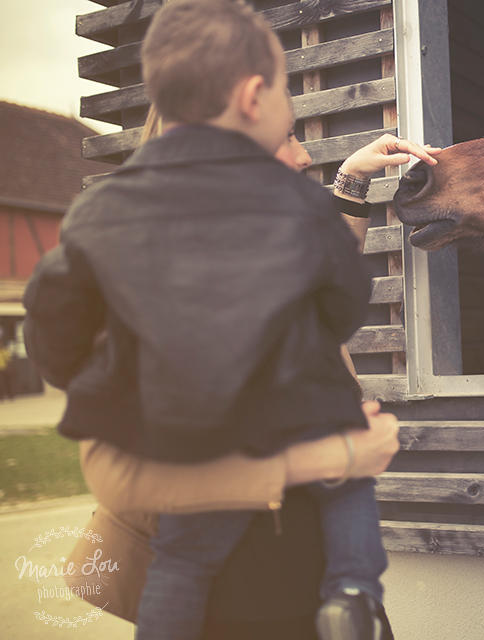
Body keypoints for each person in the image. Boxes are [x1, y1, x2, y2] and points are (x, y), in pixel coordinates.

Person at [23, 1, 438, 639]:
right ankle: (353, 591)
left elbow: (53, 330)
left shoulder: (110, 221)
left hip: (221, 513)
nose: (301, 156)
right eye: (289, 132)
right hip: (260, 583)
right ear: (250, 102)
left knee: (185, 564)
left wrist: (350, 182)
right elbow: (337, 296)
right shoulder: (278, 216)